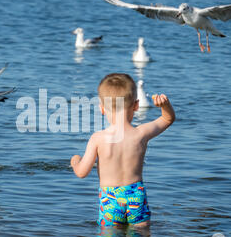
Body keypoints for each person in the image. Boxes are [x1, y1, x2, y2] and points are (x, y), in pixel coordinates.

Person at [70, 73, 175, 227]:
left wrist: (75, 161)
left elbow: (81, 172)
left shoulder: (98, 138)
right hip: (136, 196)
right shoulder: (141, 133)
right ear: (136, 105)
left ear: (102, 109)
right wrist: (165, 106)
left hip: (110, 199)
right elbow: (167, 119)